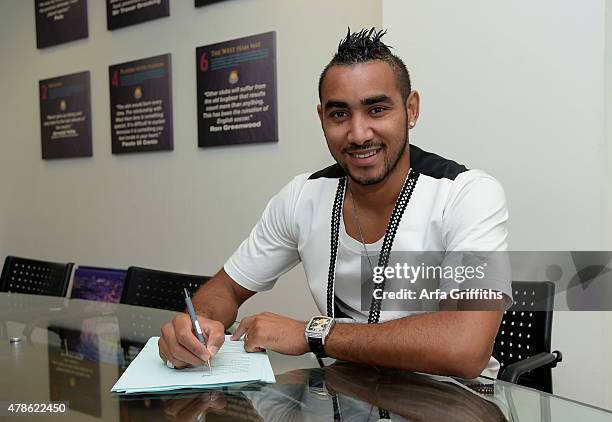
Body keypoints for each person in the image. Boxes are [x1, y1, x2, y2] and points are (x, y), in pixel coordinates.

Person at [159, 28, 511, 379]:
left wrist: (313, 333)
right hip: (350, 395)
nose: (358, 134)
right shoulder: (303, 196)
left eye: (376, 109)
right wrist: (199, 323)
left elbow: (464, 348)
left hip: (454, 402)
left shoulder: (467, 194)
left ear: (411, 109)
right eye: (339, 115)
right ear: (322, 118)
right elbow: (227, 287)